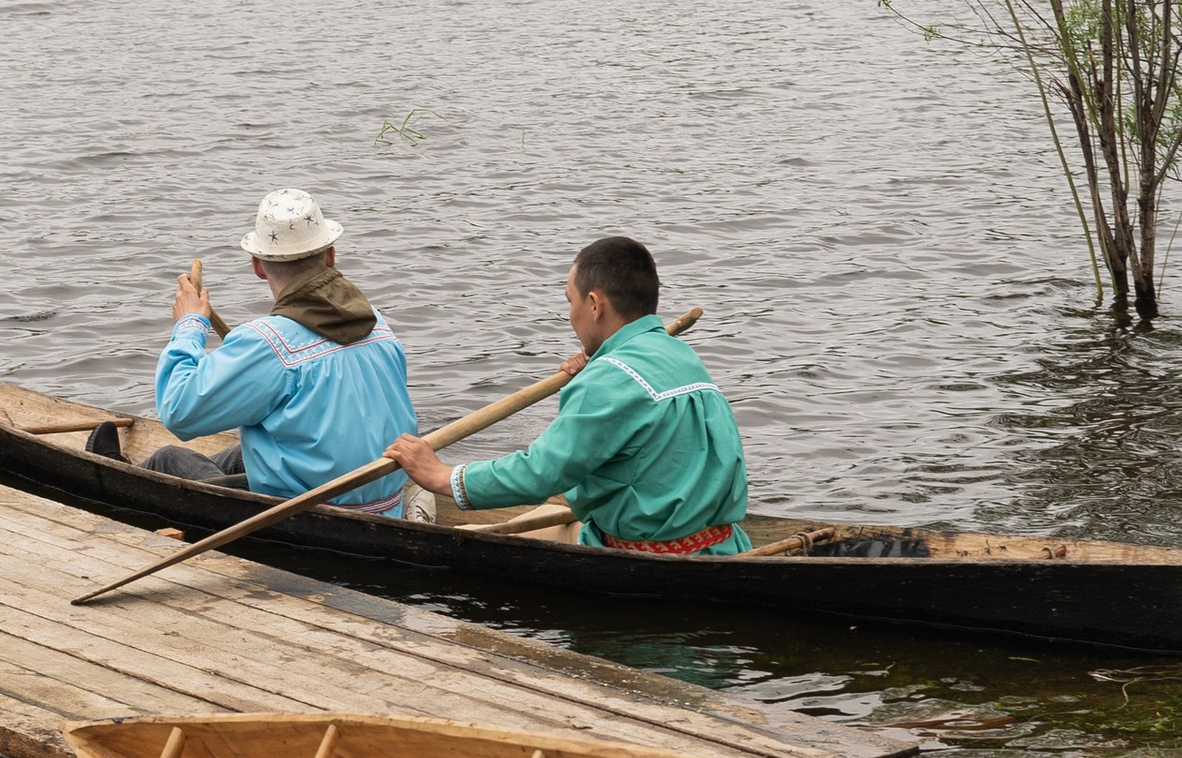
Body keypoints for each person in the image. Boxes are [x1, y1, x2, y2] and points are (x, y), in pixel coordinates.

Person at [387, 235, 748, 553]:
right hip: (722, 543)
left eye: (570, 301)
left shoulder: (608, 378)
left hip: (653, 553)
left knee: (466, 541)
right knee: (546, 515)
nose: (571, 315)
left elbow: (541, 473)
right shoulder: (677, 353)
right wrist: (597, 364)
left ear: (594, 304)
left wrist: (443, 476)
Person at [147, 186, 419, 507]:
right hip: (386, 503)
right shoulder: (375, 322)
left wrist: (190, 324)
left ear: (258, 266)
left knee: (168, 459)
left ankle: (112, 467)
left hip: (303, 512)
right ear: (330, 255)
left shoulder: (268, 342)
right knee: (245, 448)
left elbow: (179, 413)